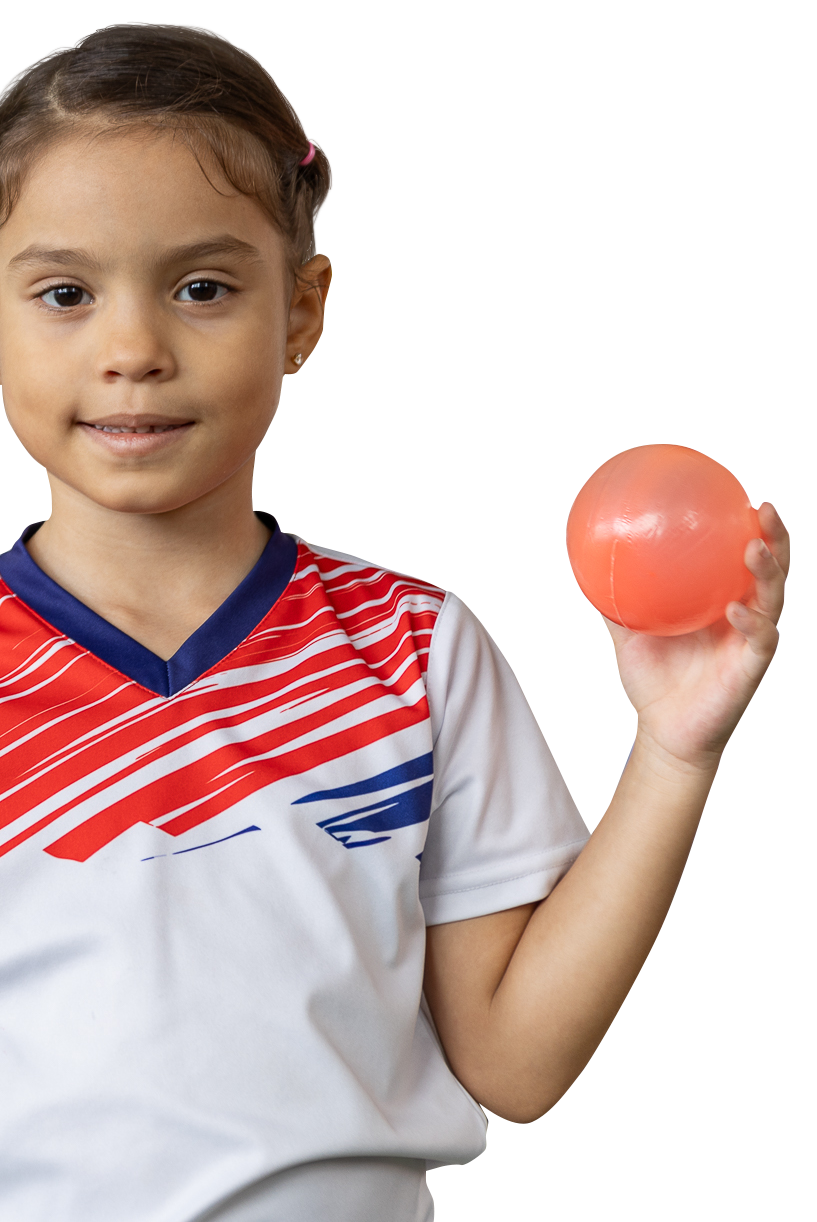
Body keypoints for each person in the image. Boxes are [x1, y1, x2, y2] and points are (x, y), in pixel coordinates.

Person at [0, 26, 788, 1222]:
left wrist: (675, 748)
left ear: (301, 312)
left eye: (202, 286)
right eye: (66, 293)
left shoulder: (423, 654)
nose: (133, 349)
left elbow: (517, 1061)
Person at [268, 270, 685, 1219]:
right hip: (395, 867)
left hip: (566, 869)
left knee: (566, 1178)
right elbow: (263, 364)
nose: (485, 298)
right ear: (396, 367)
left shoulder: (576, 446)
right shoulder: (367, 438)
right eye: (449, 294)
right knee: (421, 1176)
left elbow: (658, 461)